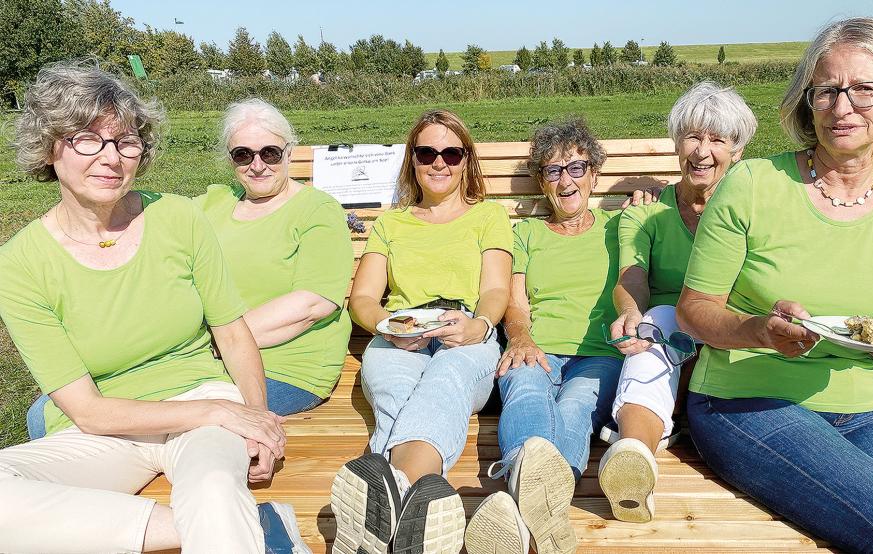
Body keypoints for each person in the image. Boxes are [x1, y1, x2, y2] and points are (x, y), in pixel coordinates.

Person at [675, 18, 873, 552]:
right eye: (828, 90)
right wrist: (758, 330)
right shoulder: (751, 185)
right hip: (744, 400)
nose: (843, 107)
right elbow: (694, 310)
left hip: (862, 405)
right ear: (807, 100)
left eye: (865, 88)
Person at [0, 63, 308, 553]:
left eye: (126, 141)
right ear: (49, 146)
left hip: (204, 402)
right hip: (108, 427)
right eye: (87, 139)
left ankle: (230, 524)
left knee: (212, 490)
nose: (111, 157)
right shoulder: (19, 263)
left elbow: (232, 332)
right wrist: (217, 411)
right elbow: (88, 410)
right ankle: (259, 526)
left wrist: (256, 420)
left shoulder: (177, 217)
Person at [330, 109, 512, 554]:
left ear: (467, 160)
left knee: (446, 380)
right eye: (427, 152)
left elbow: (494, 289)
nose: (439, 162)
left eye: (451, 152)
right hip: (400, 332)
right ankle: (419, 506)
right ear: (412, 160)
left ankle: (385, 503)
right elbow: (364, 300)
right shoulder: (392, 224)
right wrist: (387, 329)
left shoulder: (488, 215)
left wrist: (479, 326)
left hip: (463, 326)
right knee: (395, 396)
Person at [599, 81, 757, 523]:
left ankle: (639, 439)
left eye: (717, 140)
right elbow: (632, 274)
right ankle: (634, 457)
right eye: (693, 136)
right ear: (676, 143)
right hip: (669, 334)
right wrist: (630, 312)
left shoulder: (751, 209)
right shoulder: (646, 212)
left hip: (733, 329)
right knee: (660, 319)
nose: (702, 151)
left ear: (737, 151)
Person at [465, 118, 625, 554]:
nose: (566, 179)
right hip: (536, 346)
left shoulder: (622, 227)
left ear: (594, 174)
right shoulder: (527, 233)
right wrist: (519, 339)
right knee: (526, 392)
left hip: (600, 356)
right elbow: (515, 305)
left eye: (577, 167)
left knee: (575, 405)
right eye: (554, 171)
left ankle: (519, 510)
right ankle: (538, 498)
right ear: (541, 182)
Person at [195, 98, 353, 416]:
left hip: (285, 368)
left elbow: (312, 304)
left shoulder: (316, 210)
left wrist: (218, 341)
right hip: (207, 360)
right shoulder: (213, 204)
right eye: (243, 155)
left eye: (269, 153)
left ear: (289, 152)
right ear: (230, 160)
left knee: (183, 423)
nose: (257, 165)